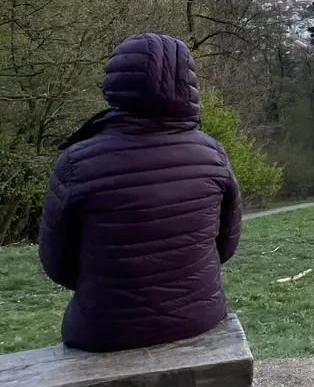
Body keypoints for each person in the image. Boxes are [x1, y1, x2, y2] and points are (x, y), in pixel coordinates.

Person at [37, 34, 242, 352]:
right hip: (199, 318)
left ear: (116, 85)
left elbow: (56, 264)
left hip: (103, 331)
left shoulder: (77, 162)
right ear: (187, 85)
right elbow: (226, 247)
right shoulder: (212, 153)